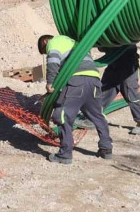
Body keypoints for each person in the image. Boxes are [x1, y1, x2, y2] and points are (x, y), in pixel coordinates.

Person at [38, 33, 112, 164]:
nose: (46, 52)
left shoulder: (55, 42)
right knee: (98, 116)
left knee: (62, 115)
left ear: (45, 41)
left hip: (77, 80)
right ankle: (106, 149)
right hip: (94, 80)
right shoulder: (73, 41)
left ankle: (65, 155)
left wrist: (50, 83)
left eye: (44, 51)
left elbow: (53, 61)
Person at [100, 45, 140, 135]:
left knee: (131, 95)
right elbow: (102, 48)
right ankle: (92, 117)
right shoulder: (107, 34)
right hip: (113, 64)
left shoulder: (126, 34)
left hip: (128, 67)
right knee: (103, 92)